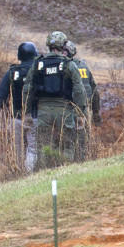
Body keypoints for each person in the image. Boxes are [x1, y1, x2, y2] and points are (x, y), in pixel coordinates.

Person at [23, 32, 87, 170]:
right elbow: (79, 90)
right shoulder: (69, 65)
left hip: (43, 111)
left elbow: (27, 90)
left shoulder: (37, 65)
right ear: (63, 46)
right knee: (67, 144)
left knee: (44, 146)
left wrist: (27, 113)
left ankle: (43, 176)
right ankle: (66, 172)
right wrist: (80, 112)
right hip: (65, 109)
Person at [0, 42, 39, 172]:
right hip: (34, 116)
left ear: (19, 56)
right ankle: (29, 174)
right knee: (33, 148)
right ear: (34, 54)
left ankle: (18, 175)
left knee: (17, 150)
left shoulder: (11, 72)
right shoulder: (38, 71)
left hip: (16, 119)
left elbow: (0, 97)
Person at [65, 41, 102, 161]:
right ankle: (81, 162)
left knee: (67, 142)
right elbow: (94, 90)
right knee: (82, 141)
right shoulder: (84, 67)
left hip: (68, 110)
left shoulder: (64, 67)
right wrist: (96, 112)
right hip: (84, 110)